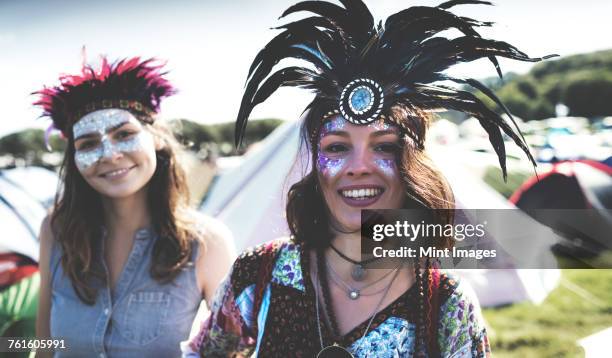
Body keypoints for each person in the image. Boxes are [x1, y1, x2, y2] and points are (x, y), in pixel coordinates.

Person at [185, 0, 555, 356]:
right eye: (336, 147)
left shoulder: (445, 304)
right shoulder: (259, 273)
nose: (358, 166)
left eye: (384, 147)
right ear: (314, 166)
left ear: (412, 167)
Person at [34, 56, 234, 357]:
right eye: (88, 143)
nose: (110, 154)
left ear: (155, 138)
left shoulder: (208, 243)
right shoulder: (55, 229)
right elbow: (44, 344)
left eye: (124, 134)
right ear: (73, 159)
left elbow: (235, 349)